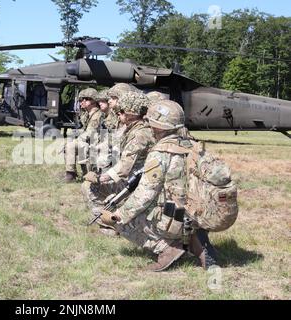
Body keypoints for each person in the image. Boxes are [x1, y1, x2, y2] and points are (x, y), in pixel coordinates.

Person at [99, 100, 214, 271]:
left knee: (123, 219)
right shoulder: (196, 147)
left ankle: (167, 248)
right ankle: (198, 243)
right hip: (200, 215)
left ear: (158, 125)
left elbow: (144, 196)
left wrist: (117, 215)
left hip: (174, 218)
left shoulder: (160, 153)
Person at [82, 91, 155, 234]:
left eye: (121, 111)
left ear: (131, 113)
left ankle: (110, 224)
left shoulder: (139, 134)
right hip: (136, 179)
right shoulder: (135, 129)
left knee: (90, 187)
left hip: (136, 183)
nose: (118, 114)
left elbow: (124, 167)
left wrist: (100, 178)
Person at [64, 88, 103, 182]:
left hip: (96, 141)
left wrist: (78, 137)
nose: (83, 101)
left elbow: (91, 132)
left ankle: (87, 174)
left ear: (94, 100)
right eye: (82, 99)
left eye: (87, 99)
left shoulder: (97, 114)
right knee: (70, 145)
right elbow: (84, 129)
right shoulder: (88, 114)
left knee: (81, 145)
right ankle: (70, 173)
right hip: (89, 139)